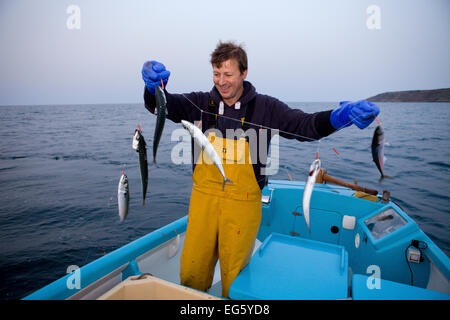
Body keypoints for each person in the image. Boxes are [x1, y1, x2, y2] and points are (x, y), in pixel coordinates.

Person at [141, 41, 379, 298]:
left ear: (243, 73)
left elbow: (305, 126)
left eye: (228, 74)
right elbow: (159, 106)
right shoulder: (200, 102)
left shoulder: (266, 108)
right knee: (191, 272)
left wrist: (339, 118)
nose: (222, 81)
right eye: (217, 74)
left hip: (243, 203)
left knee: (235, 279)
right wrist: (152, 88)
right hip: (202, 200)